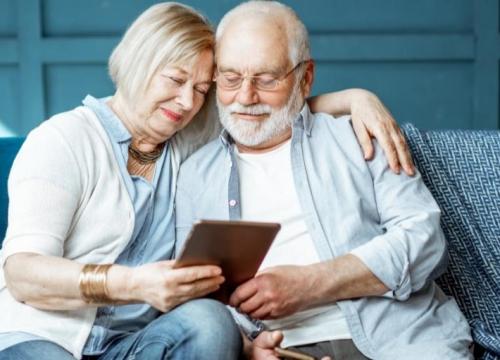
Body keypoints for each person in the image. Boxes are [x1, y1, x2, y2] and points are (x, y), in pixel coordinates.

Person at [0, 2, 413, 360]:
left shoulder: (183, 137)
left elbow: (264, 108)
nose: (187, 102)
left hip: (135, 345)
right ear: (137, 63)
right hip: (45, 334)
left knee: (209, 320)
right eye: (176, 80)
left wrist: (356, 99)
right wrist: (134, 285)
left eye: (201, 88)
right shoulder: (64, 140)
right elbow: (23, 274)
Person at [175, 1, 473, 359]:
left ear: (306, 78)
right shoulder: (194, 174)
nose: (245, 97)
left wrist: (310, 283)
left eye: (267, 79)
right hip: (281, 351)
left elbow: (424, 241)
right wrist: (246, 347)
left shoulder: (360, 136)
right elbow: (194, 295)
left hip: (400, 339)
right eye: (230, 77)